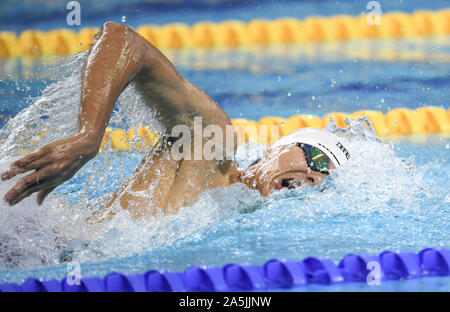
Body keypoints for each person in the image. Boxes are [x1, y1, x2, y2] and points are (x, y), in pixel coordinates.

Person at [1, 22, 350, 219]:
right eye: (316, 158)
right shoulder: (213, 144)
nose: (313, 177)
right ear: (280, 148)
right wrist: (89, 134)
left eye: (326, 178)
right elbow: (123, 41)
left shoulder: (231, 218)